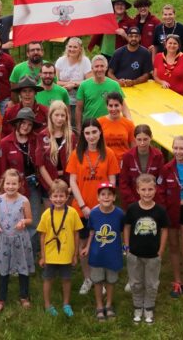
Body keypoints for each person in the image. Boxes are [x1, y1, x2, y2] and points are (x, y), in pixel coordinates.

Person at [67, 117, 120, 295]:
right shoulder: (77, 154)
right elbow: (72, 181)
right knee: (84, 244)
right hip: (82, 207)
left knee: (101, 243)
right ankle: (88, 277)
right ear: (83, 135)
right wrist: (83, 206)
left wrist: (104, 206)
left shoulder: (109, 153)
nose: (91, 136)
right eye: (87, 133)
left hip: (103, 209)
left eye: (94, 132)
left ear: (100, 133)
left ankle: (101, 279)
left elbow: (112, 180)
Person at [124, 173, 169, 324]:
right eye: (143, 190)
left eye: (150, 189)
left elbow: (164, 230)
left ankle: (148, 307)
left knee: (151, 283)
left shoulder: (160, 211)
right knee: (135, 283)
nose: (147, 193)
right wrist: (127, 247)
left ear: (155, 190)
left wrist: (161, 250)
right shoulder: (132, 209)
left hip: (153, 255)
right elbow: (127, 227)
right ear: (137, 190)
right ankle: (138, 306)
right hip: (134, 254)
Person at [0, 108, 44, 251]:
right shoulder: (5, 143)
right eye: (23, 123)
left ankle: (32, 252)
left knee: (34, 219)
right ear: (17, 123)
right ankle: (16, 251)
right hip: (14, 188)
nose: (26, 127)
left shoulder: (36, 140)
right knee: (15, 220)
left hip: (33, 185)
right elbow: (2, 170)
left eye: (29, 125)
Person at [36, 179, 83, 317]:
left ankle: (66, 304)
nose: (58, 199)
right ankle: (47, 305)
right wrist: (43, 256)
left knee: (66, 279)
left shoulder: (73, 213)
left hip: (66, 254)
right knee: (48, 279)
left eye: (61, 196)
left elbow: (76, 234)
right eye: (55, 196)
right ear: (50, 197)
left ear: (67, 197)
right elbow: (42, 237)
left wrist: (75, 255)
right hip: (50, 254)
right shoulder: (45, 214)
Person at [0, 169, 34, 314]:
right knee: (4, 268)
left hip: (20, 239)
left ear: (19, 184)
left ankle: (24, 295)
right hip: (4, 239)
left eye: (14, 184)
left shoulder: (24, 201)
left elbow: (29, 219)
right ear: (3, 184)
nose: (10, 186)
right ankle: (1, 298)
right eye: (8, 183)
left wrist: (23, 221)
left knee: (22, 267)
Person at [159, 135, 183, 299]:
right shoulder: (166, 168)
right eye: (175, 148)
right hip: (172, 211)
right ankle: (177, 280)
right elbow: (160, 193)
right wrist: (164, 213)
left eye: (182, 148)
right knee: (174, 247)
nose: (178, 151)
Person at [81, 182, 125, 321]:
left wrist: (125, 246)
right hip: (97, 253)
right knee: (98, 280)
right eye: (103, 194)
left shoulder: (119, 214)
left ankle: (109, 304)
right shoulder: (94, 213)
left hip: (113, 253)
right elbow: (92, 231)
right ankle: (99, 305)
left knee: (111, 280)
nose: (106, 197)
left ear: (114, 197)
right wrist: (88, 247)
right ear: (98, 197)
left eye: (109, 194)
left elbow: (122, 231)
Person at [34, 100, 74, 203]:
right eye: (56, 115)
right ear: (50, 115)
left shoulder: (71, 136)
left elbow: (76, 163)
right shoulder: (42, 136)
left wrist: (71, 187)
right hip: (49, 184)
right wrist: (53, 187)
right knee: (51, 217)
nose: (59, 118)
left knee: (67, 216)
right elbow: (41, 165)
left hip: (68, 184)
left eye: (62, 115)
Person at [75, 55, 128, 130]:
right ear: (92, 68)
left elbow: (124, 108)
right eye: (96, 66)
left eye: (102, 66)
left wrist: (130, 124)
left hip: (110, 126)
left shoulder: (114, 85)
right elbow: (79, 109)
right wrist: (79, 129)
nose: (99, 69)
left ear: (106, 68)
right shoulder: (84, 85)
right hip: (90, 128)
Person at [119, 124, 164, 207]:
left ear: (151, 138)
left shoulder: (158, 155)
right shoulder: (127, 156)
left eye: (145, 139)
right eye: (139, 139)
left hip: (153, 201)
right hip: (132, 202)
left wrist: (153, 199)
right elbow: (123, 182)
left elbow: (161, 180)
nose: (142, 143)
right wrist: (134, 202)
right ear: (134, 139)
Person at [54, 37, 92, 112]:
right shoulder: (60, 61)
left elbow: (90, 81)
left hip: (80, 99)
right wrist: (68, 84)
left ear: (80, 49)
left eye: (75, 47)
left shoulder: (85, 61)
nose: (72, 49)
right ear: (66, 47)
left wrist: (74, 85)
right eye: (70, 46)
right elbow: (55, 81)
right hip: (62, 98)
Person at [98, 92, 134, 163]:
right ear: (106, 106)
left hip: (123, 163)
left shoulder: (129, 124)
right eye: (110, 106)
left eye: (116, 105)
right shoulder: (99, 122)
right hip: (105, 162)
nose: (113, 109)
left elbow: (133, 148)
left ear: (121, 106)